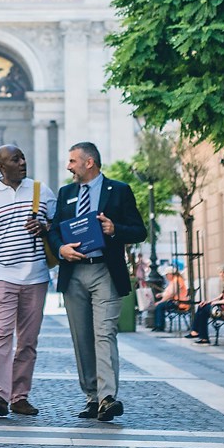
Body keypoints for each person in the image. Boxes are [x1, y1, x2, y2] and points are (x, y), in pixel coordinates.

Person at [43, 142, 146, 422]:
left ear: (90, 163)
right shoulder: (66, 193)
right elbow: (53, 231)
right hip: (73, 272)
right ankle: (91, 396)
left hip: (105, 271)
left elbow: (139, 230)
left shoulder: (119, 191)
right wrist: (61, 248)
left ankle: (107, 397)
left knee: (104, 333)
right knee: (82, 337)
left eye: (73, 161)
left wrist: (115, 229)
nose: (68, 166)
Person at [0, 144, 57, 417]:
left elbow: (57, 228)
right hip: (1, 275)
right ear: (1, 167)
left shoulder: (41, 191)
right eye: (15, 159)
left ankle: (20, 396)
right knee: (0, 336)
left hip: (36, 276)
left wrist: (45, 228)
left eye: (23, 158)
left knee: (28, 340)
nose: (22, 163)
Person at [186, 264, 224, 342]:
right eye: (220, 272)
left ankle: (199, 334)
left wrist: (214, 303)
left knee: (203, 309)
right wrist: (209, 301)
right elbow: (221, 296)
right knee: (202, 306)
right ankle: (198, 333)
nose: (221, 274)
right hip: (222, 308)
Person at [151, 263, 190, 332]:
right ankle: (158, 325)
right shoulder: (174, 280)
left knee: (159, 306)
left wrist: (160, 301)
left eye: (167, 275)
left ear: (171, 274)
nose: (166, 277)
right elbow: (168, 292)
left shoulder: (176, 280)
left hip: (179, 303)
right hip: (176, 301)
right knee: (159, 306)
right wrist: (161, 294)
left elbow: (171, 294)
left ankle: (159, 326)